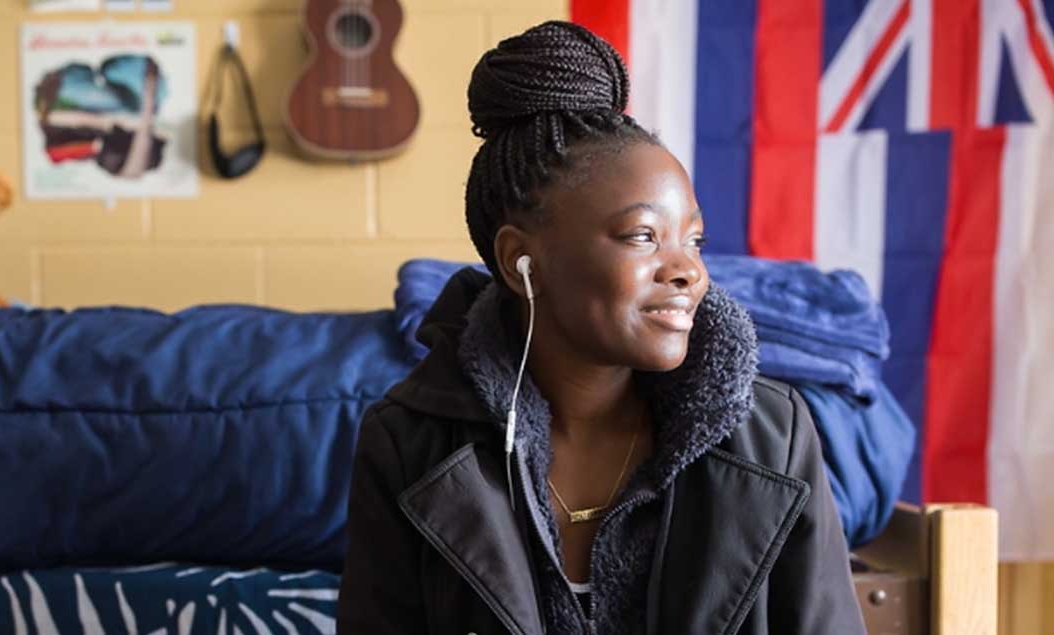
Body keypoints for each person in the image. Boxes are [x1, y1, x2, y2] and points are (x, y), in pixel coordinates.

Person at [336, 20, 866, 635]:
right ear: (520, 261)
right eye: (643, 236)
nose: (688, 271)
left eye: (693, 240)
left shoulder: (773, 437)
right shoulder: (411, 444)